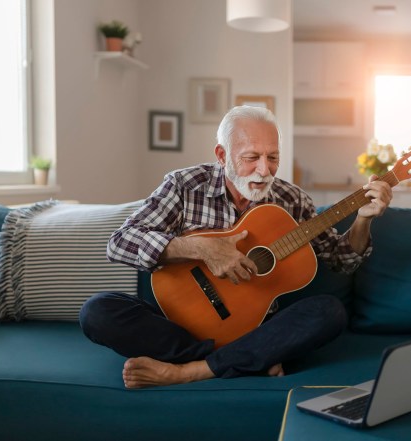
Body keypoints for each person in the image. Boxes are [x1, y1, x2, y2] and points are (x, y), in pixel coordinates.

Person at [79, 106, 392, 389]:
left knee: (329, 312)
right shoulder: (184, 186)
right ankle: (241, 361)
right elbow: (120, 243)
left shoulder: (292, 200)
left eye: (273, 157)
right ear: (221, 155)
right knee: (97, 311)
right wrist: (201, 248)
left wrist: (363, 219)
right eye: (251, 158)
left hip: (253, 329)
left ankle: (189, 371)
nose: (264, 170)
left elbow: (343, 260)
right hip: (174, 327)